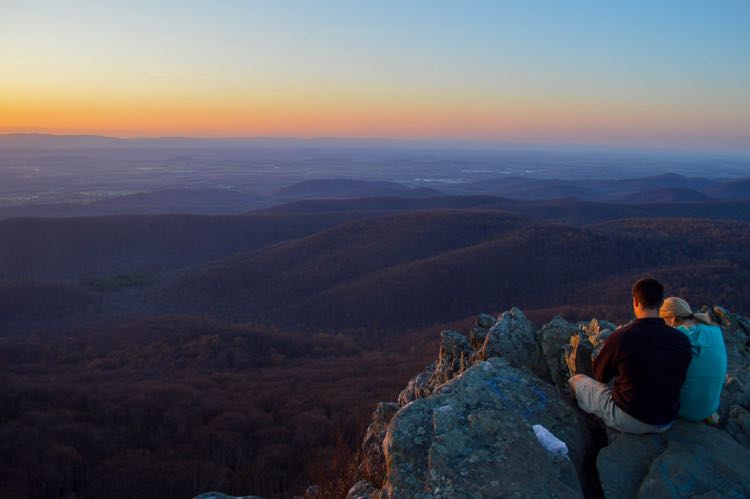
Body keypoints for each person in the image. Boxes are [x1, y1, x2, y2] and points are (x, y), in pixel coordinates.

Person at [568, 278, 692, 434]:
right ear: (661, 303)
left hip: (630, 417)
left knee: (576, 380)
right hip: (667, 419)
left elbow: (600, 376)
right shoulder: (682, 340)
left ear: (635, 302)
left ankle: (586, 428)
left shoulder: (621, 337)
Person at [659, 297, 727, 422]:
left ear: (672, 319)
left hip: (684, 410)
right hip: (710, 407)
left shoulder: (675, 338)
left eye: (662, 321)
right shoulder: (716, 331)